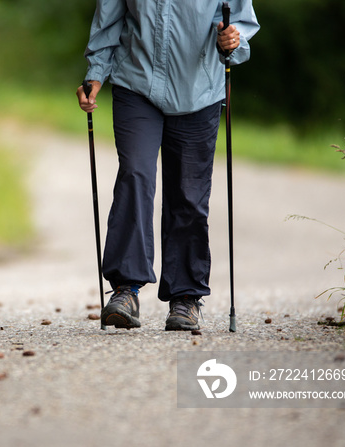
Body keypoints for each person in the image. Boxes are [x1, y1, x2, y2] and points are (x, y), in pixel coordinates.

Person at [76, 1, 259, 331]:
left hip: (198, 92)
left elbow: (242, 24)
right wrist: (95, 76)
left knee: (188, 194)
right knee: (135, 173)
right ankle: (125, 290)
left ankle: (185, 297)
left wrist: (233, 40)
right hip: (137, 84)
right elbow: (109, 21)